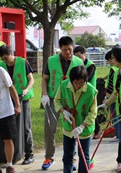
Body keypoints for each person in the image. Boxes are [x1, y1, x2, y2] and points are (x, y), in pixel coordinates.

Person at [40, 36, 83, 170]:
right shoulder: (51, 60)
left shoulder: (78, 61)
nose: (68, 53)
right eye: (65, 50)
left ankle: (72, 158)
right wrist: (45, 94)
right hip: (53, 99)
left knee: (72, 129)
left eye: (70, 50)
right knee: (49, 128)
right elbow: (44, 78)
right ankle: (49, 157)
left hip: (71, 100)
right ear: (60, 48)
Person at [54, 65, 97, 173]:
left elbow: (93, 112)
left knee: (84, 155)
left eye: (81, 83)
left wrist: (82, 126)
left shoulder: (91, 91)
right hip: (69, 125)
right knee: (68, 155)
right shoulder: (64, 85)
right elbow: (57, 101)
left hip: (84, 127)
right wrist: (63, 111)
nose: (78, 85)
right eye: (76, 83)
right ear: (71, 80)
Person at [0, 45, 35, 165]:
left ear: (11, 54)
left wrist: (27, 89)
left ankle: (29, 154)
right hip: (8, 99)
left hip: (23, 98)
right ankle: (12, 155)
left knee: (25, 126)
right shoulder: (1, 66)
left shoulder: (23, 62)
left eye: (6, 58)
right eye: (3, 59)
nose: (5, 61)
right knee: (9, 127)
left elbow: (31, 79)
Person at [73, 45, 101, 139]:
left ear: (84, 54)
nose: (77, 58)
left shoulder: (90, 65)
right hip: (79, 90)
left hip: (89, 91)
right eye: (75, 56)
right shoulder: (76, 65)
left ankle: (97, 130)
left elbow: (86, 79)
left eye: (79, 56)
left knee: (92, 111)